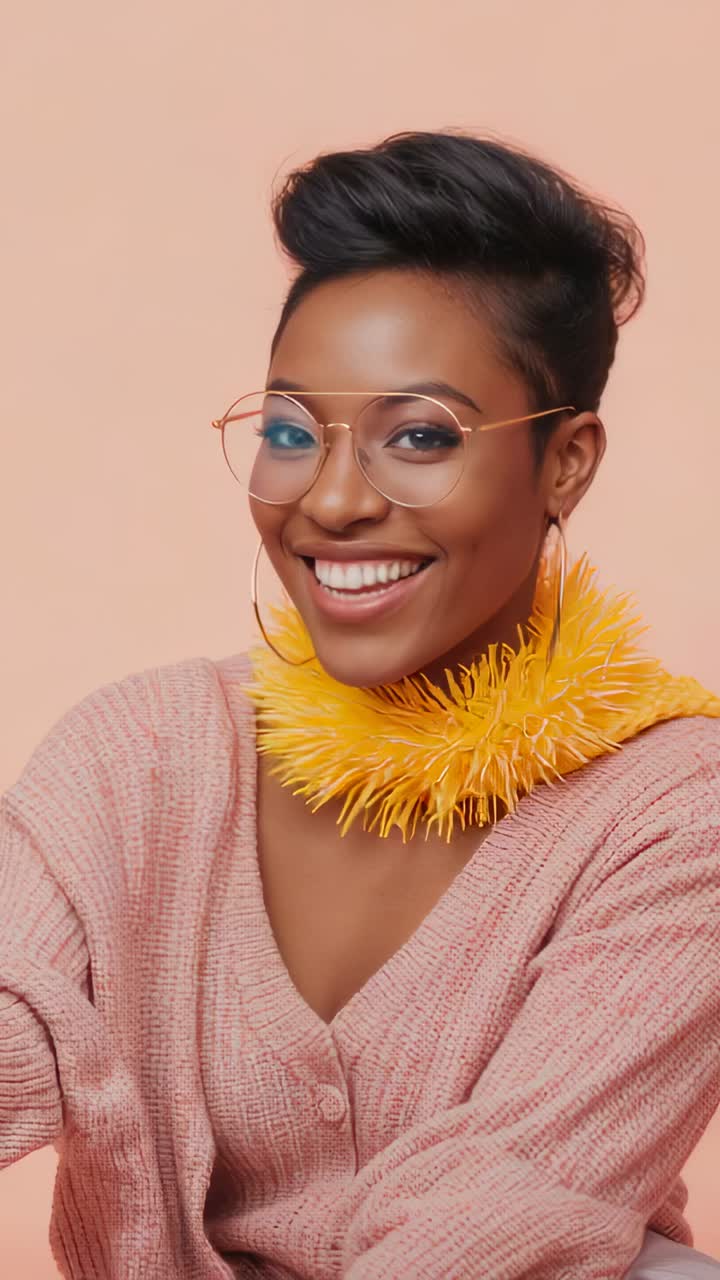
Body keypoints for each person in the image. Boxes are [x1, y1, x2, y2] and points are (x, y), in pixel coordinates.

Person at [1, 130, 719, 1280]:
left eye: (420, 436)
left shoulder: (677, 811)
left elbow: (500, 1213)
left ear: (567, 462)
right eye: (291, 432)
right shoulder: (141, 752)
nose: (332, 500)